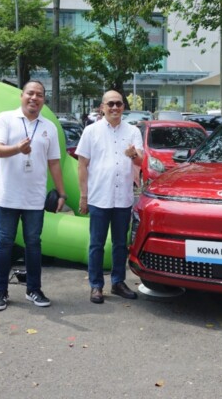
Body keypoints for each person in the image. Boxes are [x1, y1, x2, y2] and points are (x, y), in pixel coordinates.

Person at [0, 80, 67, 311]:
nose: (34, 98)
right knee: (4, 242)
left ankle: (33, 289)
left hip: (34, 197)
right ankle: (0, 292)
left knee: (33, 244)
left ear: (44, 99)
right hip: (8, 195)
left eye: (40, 95)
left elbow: (54, 162)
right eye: (30, 93)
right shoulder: (5, 119)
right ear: (22, 95)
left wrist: (62, 193)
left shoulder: (49, 126)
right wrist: (17, 149)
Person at [76, 90, 143, 304]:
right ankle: (96, 285)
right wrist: (83, 196)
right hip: (99, 196)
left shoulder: (133, 131)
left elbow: (140, 162)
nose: (115, 108)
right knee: (96, 244)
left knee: (120, 244)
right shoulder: (91, 131)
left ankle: (118, 282)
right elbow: (82, 165)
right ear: (102, 107)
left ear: (124, 107)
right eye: (110, 104)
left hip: (122, 197)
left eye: (119, 104)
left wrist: (133, 154)